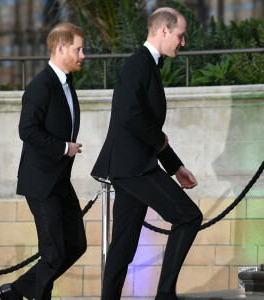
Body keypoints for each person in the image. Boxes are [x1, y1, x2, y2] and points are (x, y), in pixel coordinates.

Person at [91, 7, 203, 300]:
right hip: (134, 168)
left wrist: (175, 166)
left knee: (124, 246)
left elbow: (148, 128)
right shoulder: (137, 65)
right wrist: (167, 154)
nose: (183, 42)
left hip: (132, 167)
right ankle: (165, 294)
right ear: (163, 30)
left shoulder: (147, 65)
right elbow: (132, 117)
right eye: (180, 35)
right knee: (189, 216)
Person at [0, 23, 87, 300]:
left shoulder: (67, 83)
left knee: (75, 245)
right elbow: (28, 130)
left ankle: (17, 290)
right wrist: (64, 148)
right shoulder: (40, 85)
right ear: (60, 48)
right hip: (42, 182)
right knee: (53, 251)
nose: (83, 55)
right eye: (78, 49)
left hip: (60, 181)